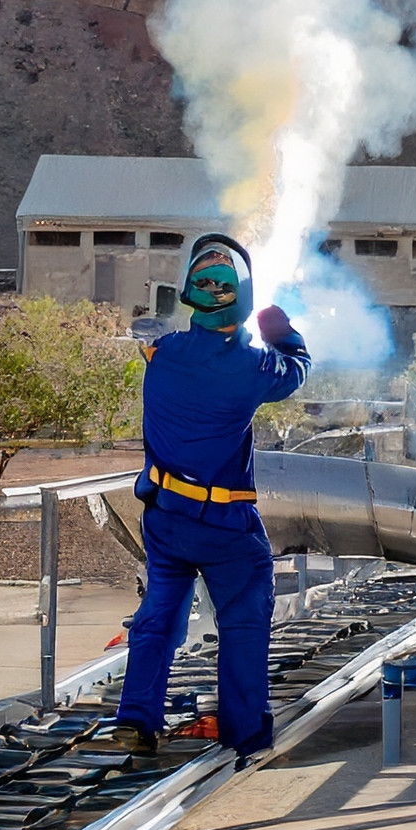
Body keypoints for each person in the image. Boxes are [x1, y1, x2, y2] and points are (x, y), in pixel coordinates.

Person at [111, 234, 310, 766]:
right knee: (243, 623)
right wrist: (284, 333)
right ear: (241, 299)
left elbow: (154, 338)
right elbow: (295, 373)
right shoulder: (254, 366)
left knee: (159, 611)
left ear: (190, 296)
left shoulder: (163, 354)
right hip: (225, 523)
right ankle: (245, 736)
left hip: (165, 516)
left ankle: (136, 717)